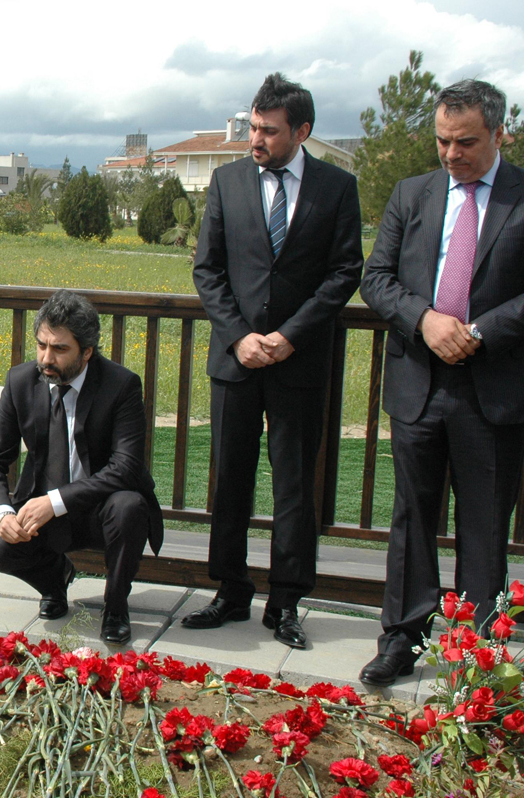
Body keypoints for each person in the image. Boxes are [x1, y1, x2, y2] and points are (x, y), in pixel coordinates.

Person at [184, 73, 364, 648]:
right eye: (253, 127)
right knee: (230, 483)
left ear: (302, 131)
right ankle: (230, 591)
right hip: (235, 363)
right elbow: (207, 269)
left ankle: (285, 603)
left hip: (300, 363)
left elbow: (345, 271)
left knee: (294, 488)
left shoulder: (337, 187)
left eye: (269, 130)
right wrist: (239, 337)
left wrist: (290, 336)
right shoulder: (227, 180)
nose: (255, 139)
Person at [358, 79, 524, 687]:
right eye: (442, 141)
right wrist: (425, 320)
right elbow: (376, 278)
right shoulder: (413, 194)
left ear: (500, 134)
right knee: (411, 520)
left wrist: (479, 331)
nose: (452, 154)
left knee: (485, 527)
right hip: (418, 385)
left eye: (466, 142)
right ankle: (401, 638)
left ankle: (474, 660)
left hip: (494, 390)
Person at [0, 289, 163, 645]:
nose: (47, 358)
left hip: (103, 507)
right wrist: (2, 513)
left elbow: (126, 466)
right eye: (41, 345)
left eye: (60, 349)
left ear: (87, 351)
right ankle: (55, 581)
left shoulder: (121, 384)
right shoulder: (20, 381)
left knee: (130, 506)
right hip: (43, 509)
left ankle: (116, 606)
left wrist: (56, 501)